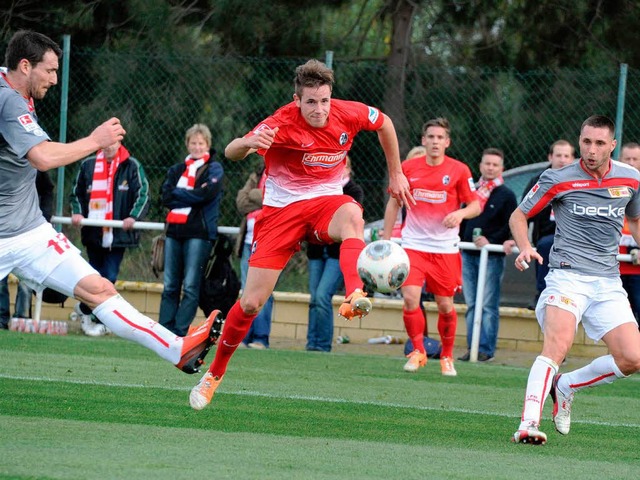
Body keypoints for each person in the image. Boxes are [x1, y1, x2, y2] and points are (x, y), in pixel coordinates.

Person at [188, 58, 413, 410]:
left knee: (353, 213)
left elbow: (384, 123)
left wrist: (396, 174)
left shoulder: (348, 113)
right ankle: (213, 374)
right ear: (297, 99)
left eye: (324, 100)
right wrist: (248, 140)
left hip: (326, 202)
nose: (320, 109)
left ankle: (355, 292)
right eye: (311, 101)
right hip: (281, 213)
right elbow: (232, 152)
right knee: (250, 303)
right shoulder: (279, 123)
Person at [0, 30, 219, 375]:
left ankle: (178, 349)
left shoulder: (16, 93)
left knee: (98, 288)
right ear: (25, 66)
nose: (55, 80)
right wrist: (95, 140)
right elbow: (41, 157)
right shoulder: (8, 98)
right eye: (50, 71)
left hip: (29, 233)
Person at [509, 115, 640, 445]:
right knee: (556, 347)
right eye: (586, 142)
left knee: (633, 358)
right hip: (566, 276)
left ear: (612, 145)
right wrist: (525, 246)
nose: (591, 150)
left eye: (599, 143)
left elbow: (636, 221)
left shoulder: (632, 179)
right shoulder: (558, 178)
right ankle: (528, 423)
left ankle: (566, 386)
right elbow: (519, 215)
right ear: (579, 141)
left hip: (608, 282)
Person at [383, 117, 480, 376]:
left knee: (445, 306)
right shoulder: (408, 167)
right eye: (431, 137)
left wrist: (460, 215)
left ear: (447, 142)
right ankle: (417, 351)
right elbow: (394, 203)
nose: (435, 142)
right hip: (413, 246)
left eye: (440, 138)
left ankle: (447, 356)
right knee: (410, 299)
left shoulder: (459, 170)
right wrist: (385, 238)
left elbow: (475, 205)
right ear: (423, 140)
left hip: (445, 250)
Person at [70, 140, 150, 336]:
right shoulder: (87, 165)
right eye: (105, 143)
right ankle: (91, 316)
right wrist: (78, 213)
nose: (108, 147)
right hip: (93, 232)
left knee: (110, 277)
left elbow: (144, 194)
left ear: (120, 143)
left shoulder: (132, 165)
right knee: (94, 278)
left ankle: (86, 311)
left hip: (117, 234)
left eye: (112, 144)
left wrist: (133, 216)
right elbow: (76, 193)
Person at [158, 124, 224, 337]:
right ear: (187, 144)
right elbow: (165, 197)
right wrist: (190, 194)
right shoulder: (176, 169)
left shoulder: (214, 169)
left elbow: (207, 195)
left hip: (199, 233)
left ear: (208, 145)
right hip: (174, 232)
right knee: (169, 285)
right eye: (193, 143)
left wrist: (180, 193)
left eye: (201, 143)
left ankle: (179, 332)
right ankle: (163, 330)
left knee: (191, 286)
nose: (196, 147)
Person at [458, 148, 517, 362]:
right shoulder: (470, 190)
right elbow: (463, 218)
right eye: (487, 164)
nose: (490, 168)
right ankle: (472, 347)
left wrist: (490, 241)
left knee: (488, 304)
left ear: (502, 168)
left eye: (495, 165)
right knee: (472, 303)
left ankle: (485, 349)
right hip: (468, 252)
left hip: (491, 256)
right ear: (481, 165)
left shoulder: (507, 195)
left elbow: (509, 224)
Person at [306, 155, 364, 352]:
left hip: (337, 254)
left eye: (342, 166)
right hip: (315, 250)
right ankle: (311, 343)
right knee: (314, 298)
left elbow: (349, 222)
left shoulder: (353, 191)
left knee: (323, 295)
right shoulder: (320, 188)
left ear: (348, 168)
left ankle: (322, 346)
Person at [522, 140, 575, 308]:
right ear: (550, 157)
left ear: (573, 159)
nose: (562, 159)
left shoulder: (581, 181)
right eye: (558, 155)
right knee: (546, 245)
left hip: (574, 236)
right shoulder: (537, 181)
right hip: (546, 236)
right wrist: (513, 237)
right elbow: (523, 213)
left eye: (566, 156)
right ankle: (542, 294)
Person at [0, 170, 55, 327]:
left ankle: (21, 320)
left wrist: (44, 217)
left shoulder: (33, 163)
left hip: (27, 232)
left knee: (26, 279)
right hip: (3, 231)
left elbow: (47, 190)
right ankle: (1, 320)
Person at [235, 159, 273, 349]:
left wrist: (254, 195)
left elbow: (277, 202)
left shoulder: (286, 174)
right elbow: (241, 202)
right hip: (249, 241)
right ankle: (243, 336)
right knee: (246, 289)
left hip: (270, 241)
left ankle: (260, 338)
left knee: (264, 292)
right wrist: (262, 198)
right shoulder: (256, 174)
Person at [618, 142, 640, 325]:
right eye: (627, 159)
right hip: (613, 269)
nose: (631, 163)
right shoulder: (611, 186)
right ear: (620, 160)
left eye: (636, 159)